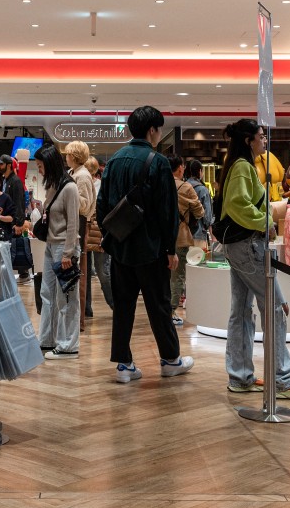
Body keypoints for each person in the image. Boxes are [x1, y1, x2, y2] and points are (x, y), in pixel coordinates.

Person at [218, 119, 290, 399]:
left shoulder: (237, 166)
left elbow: (238, 204)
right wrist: (266, 221)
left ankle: (241, 376)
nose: (264, 141)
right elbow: (239, 205)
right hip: (248, 246)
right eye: (261, 136)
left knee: (242, 312)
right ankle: (282, 380)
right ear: (249, 140)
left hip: (239, 246)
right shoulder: (242, 167)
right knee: (274, 308)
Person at [95, 105, 192, 383]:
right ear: (152, 130)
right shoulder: (158, 162)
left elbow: (102, 207)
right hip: (151, 249)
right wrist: (170, 249)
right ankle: (170, 360)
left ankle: (124, 365)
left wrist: (111, 236)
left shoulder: (113, 161)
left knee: (123, 306)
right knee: (159, 304)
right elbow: (167, 211)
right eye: (159, 129)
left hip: (120, 247)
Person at [35, 144, 80, 359]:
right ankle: (47, 339)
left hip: (64, 247)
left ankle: (69, 345)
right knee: (47, 294)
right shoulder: (52, 186)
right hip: (51, 245)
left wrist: (68, 254)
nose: (39, 170)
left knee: (67, 297)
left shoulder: (69, 188)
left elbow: (73, 223)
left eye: (41, 166)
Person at [169, 155, 204, 326]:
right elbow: (200, 211)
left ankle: (162, 310)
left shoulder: (159, 185)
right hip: (180, 237)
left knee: (163, 275)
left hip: (160, 237)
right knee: (177, 276)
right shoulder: (186, 187)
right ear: (180, 167)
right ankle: (171, 311)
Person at [63, 141, 95, 322]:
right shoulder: (73, 173)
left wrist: (69, 196)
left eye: (68, 154)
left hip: (80, 224)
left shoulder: (82, 176)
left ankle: (78, 318)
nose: (66, 157)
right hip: (74, 223)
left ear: (74, 156)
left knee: (79, 270)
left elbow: (84, 205)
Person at [0, 154, 28, 279]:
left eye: (1, 164)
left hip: (13, 222)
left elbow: (18, 203)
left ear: (8, 165)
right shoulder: (5, 180)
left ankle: (22, 271)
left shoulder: (16, 181)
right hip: (6, 223)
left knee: (13, 249)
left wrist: (19, 223)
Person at [86, 155, 113, 308]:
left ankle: (115, 304)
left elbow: (108, 211)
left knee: (103, 272)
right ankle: (86, 308)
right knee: (85, 274)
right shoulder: (79, 183)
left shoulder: (102, 186)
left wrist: (106, 235)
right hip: (85, 231)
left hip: (99, 232)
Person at [185, 159, 213, 246]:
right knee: (198, 259)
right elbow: (207, 218)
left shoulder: (182, 186)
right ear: (200, 171)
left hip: (183, 233)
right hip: (198, 233)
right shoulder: (202, 190)